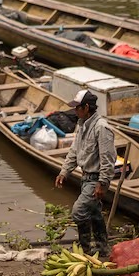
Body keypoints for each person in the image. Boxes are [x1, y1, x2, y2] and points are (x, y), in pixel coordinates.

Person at [55, 89, 115, 258]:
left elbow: (107, 158)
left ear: (86, 107)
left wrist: (103, 183)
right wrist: (64, 171)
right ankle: (103, 250)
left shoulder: (101, 128)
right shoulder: (82, 125)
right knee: (94, 213)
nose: (75, 111)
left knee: (78, 211)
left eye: (77, 108)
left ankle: (86, 249)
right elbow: (74, 151)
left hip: (95, 179)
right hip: (85, 177)